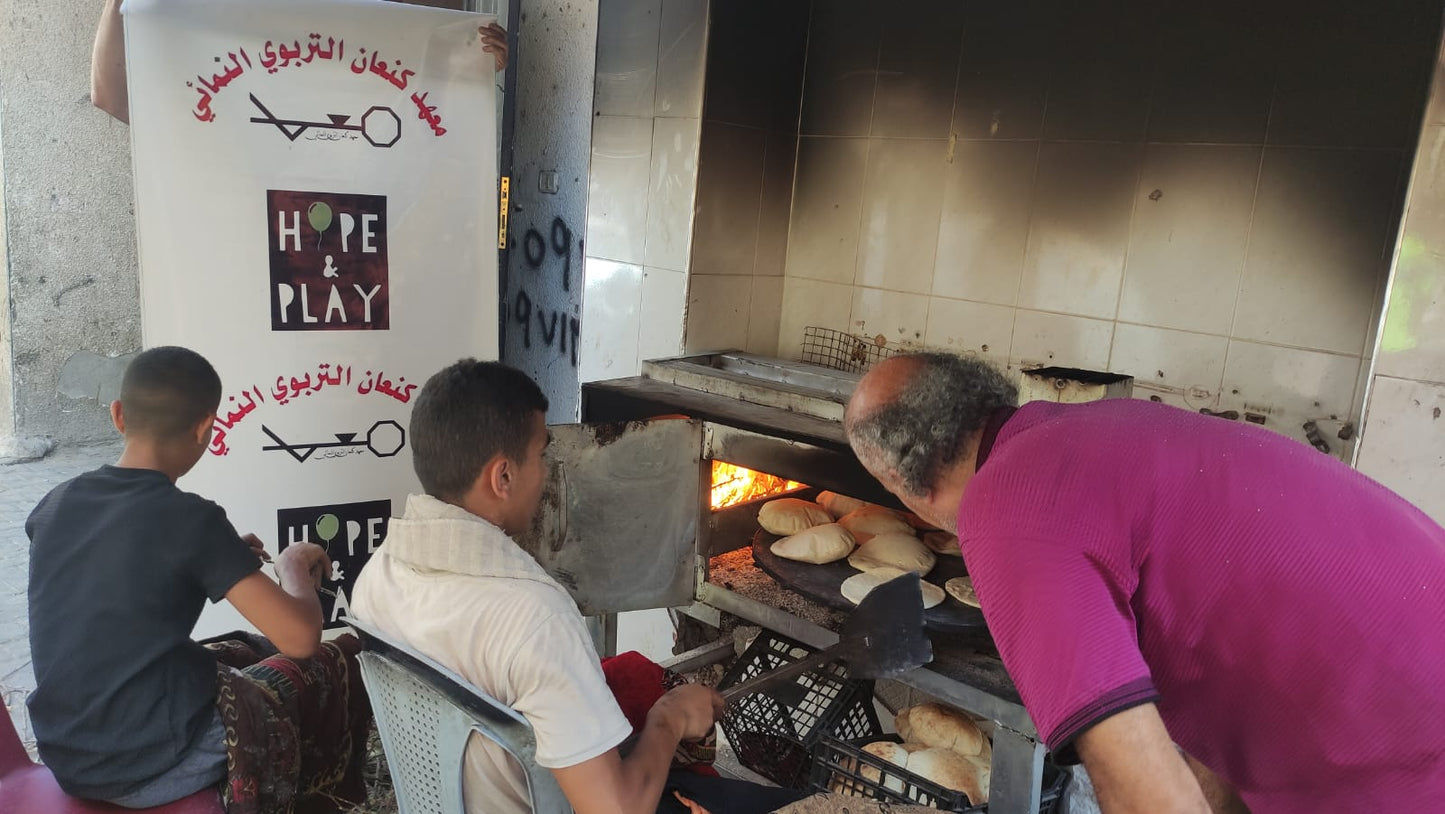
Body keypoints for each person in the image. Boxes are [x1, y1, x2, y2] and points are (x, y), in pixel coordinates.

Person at [843, 352, 1445, 814]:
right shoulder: (1112, 425)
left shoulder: (1010, 508)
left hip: (1405, 756)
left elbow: (1140, 788)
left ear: (907, 483)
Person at [352, 360, 805, 814]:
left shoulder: (378, 574)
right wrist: (669, 718)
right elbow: (617, 810)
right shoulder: (532, 615)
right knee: (802, 805)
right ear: (503, 477)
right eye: (542, 454)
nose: (549, 472)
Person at [26, 346, 371, 812]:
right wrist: (292, 568)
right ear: (206, 428)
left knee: (243, 653)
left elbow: (118, 583)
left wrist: (218, 560)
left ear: (118, 414)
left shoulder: (54, 503)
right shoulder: (192, 520)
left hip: (67, 755)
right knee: (334, 659)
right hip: (150, 764)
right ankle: (317, 798)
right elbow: (300, 637)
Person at [90, 0, 509, 124]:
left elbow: (421, 117)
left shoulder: (365, 43)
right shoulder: (213, 76)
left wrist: (474, 70)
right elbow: (110, 96)